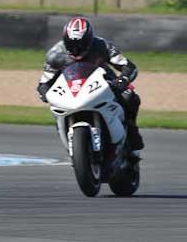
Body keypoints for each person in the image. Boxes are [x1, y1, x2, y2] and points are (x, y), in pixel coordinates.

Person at [37, 17, 144, 155]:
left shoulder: (102, 45)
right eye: (71, 44)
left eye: (81, 45)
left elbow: (129, 67)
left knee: (130, 96)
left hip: (103, 84)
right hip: (72, 90)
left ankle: (132, 131)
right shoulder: (55, 54)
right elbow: (44, 83)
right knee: (55, 109)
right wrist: (46, 95)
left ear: (89, 39)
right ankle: (72, 142)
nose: (76, 49)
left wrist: (122, 80)